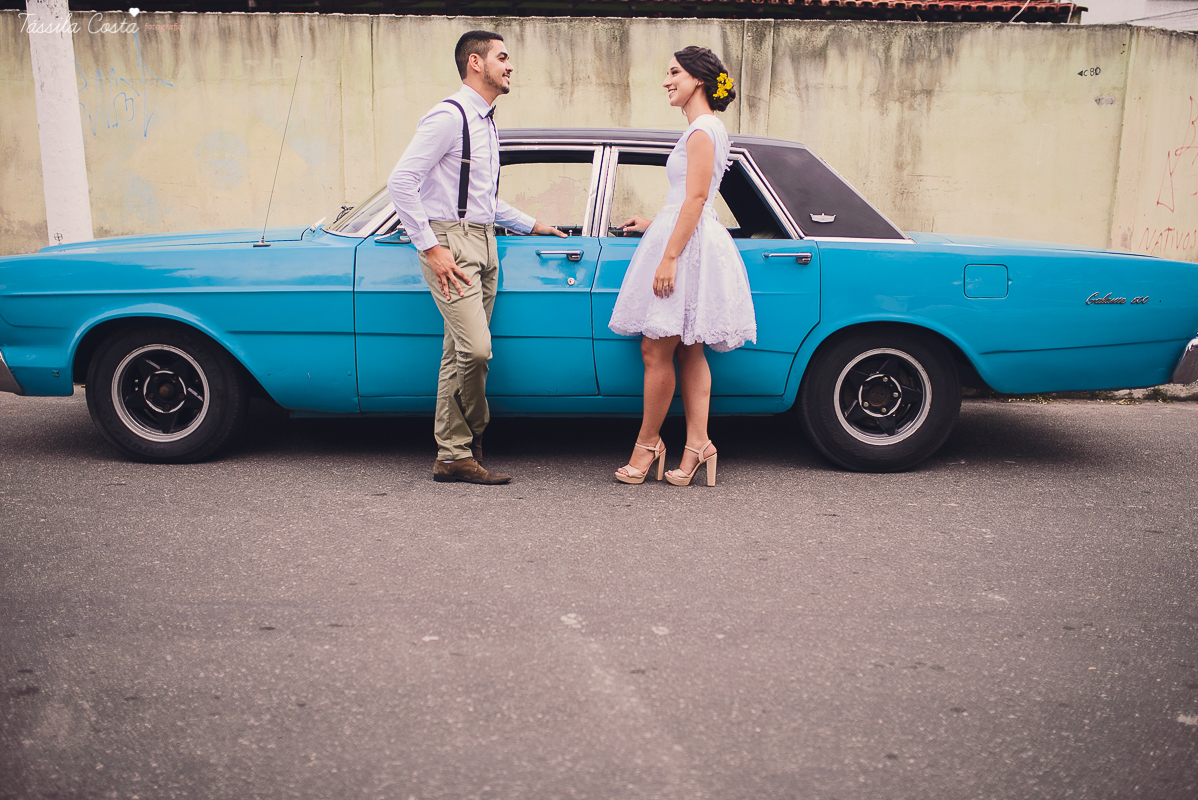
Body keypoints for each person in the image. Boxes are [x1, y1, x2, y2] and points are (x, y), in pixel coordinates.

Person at [388, 30, 566, 485]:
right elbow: (402, 183)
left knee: (457, 353)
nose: (510, 66)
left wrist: (530, 224)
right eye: (502, 57)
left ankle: (452, 455)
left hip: (484, 241)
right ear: (475, 62)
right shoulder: (448, 117)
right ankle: (472, 435)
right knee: (477, 349)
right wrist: (431, 247)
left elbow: (481, 199)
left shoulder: (486, 120)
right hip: (451, 243)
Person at [608, 46, 757, 487]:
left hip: (687, 248)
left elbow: (695, 199)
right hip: (689, 236)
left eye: (674, 72)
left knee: (656, 351)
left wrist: (668, 255)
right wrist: (655, 223)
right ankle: (698, 444)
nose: (667, 81)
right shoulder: (706, 128)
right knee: (690, 347)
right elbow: (693, 199)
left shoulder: (701, 131)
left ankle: (648, 443)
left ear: (699, 79)